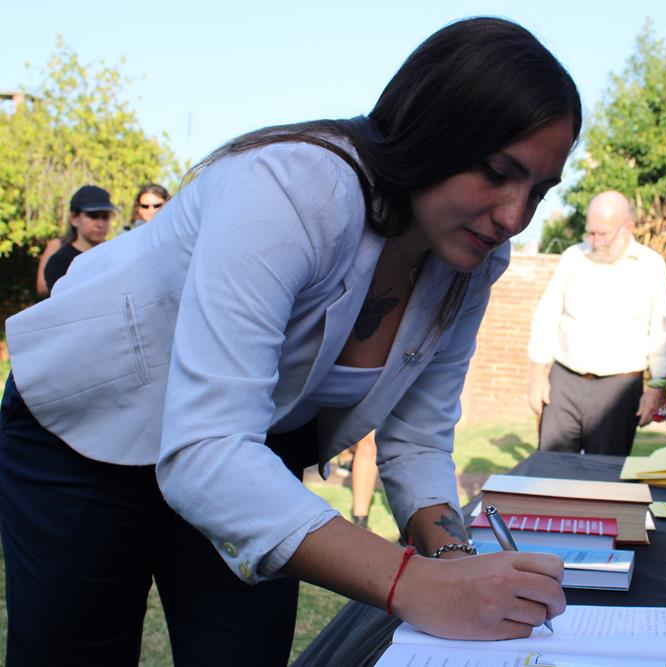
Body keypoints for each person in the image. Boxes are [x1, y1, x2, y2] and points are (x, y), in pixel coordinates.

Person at [0, 17, 581, 665]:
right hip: (86, 429)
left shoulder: (474, 261)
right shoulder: (292, 188)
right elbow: (205, 452)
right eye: (497, 172)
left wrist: (452, 561)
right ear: (431, 129)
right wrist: (413, 582)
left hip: (245, 451)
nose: (514, 216)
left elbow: (417, 441)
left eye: (538, 191)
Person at [527, 190, 666, 455]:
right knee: (549, 469)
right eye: (591, 233)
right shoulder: (573, 257)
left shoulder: (651, 266)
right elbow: (547, 315)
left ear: (628, 227)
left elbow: (662, 334)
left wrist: (656, 388)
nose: (595, 241)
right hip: (564, 383)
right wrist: (537, 375)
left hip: (619, 389)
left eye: (603, 234)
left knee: (604, 474)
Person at [42, 184, 115, 293]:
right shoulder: (59, 262)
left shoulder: (115, 256)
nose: (100, 224)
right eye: (93, 216)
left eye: (105, 217)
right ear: (74, 219)